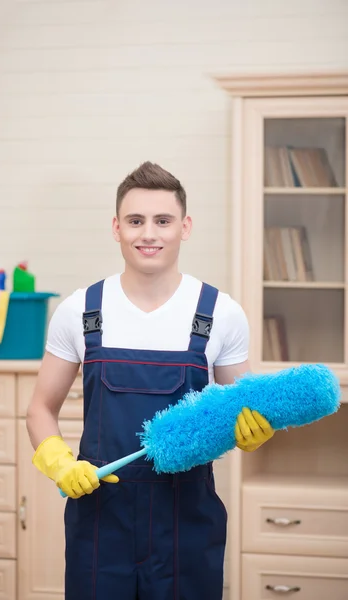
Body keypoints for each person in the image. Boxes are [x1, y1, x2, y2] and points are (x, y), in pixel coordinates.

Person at [26, 161, 274, 600]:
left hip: (187, 521)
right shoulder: (81, 311)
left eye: (163, 221)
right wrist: (59, 464)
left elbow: (242, 409)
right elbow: (41, 407)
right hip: (101, 518)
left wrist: (253, 433)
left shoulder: (220, 312)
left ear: (185, 226)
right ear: (116, 227)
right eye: (136, 221)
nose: (149, 234)